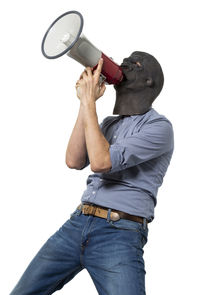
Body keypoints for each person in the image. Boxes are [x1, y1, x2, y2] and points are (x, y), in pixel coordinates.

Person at [10, 51, 174, 295]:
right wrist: (85, 103)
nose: (125, 63)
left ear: (150, 82)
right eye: (126, 59)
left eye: (136, 64)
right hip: (78, 223)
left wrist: (89, 103)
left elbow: (100, 162)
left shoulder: (159, 127)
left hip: (119, 233)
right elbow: (74, 160)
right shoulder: (109, 124)